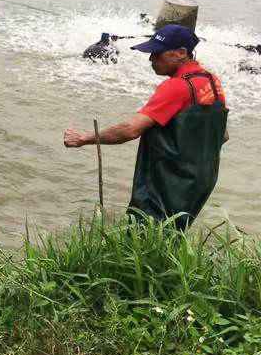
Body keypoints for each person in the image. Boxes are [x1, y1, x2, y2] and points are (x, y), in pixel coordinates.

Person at [64, 24, 229, 230]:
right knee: (172, 235)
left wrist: (84, 138)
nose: (150, 59)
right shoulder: (212, 82)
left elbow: (130, 129)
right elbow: (223, 135)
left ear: (181, 53)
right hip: (201, 180)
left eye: (156, 54)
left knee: (142, 236)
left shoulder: (175, 87)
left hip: (168, 182)